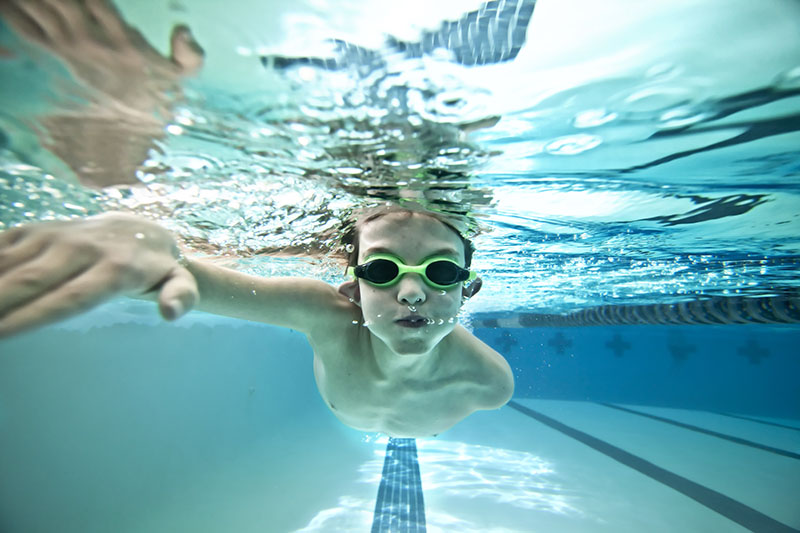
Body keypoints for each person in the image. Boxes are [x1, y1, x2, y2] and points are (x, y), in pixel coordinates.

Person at [0, 206, 514, 437]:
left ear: (468, 287)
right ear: (351, 287)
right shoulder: (325, 316)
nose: (411, 292)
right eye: (381, 269)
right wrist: (146, 261)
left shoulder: (490, 382)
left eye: (442, 270)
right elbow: (196, 282)